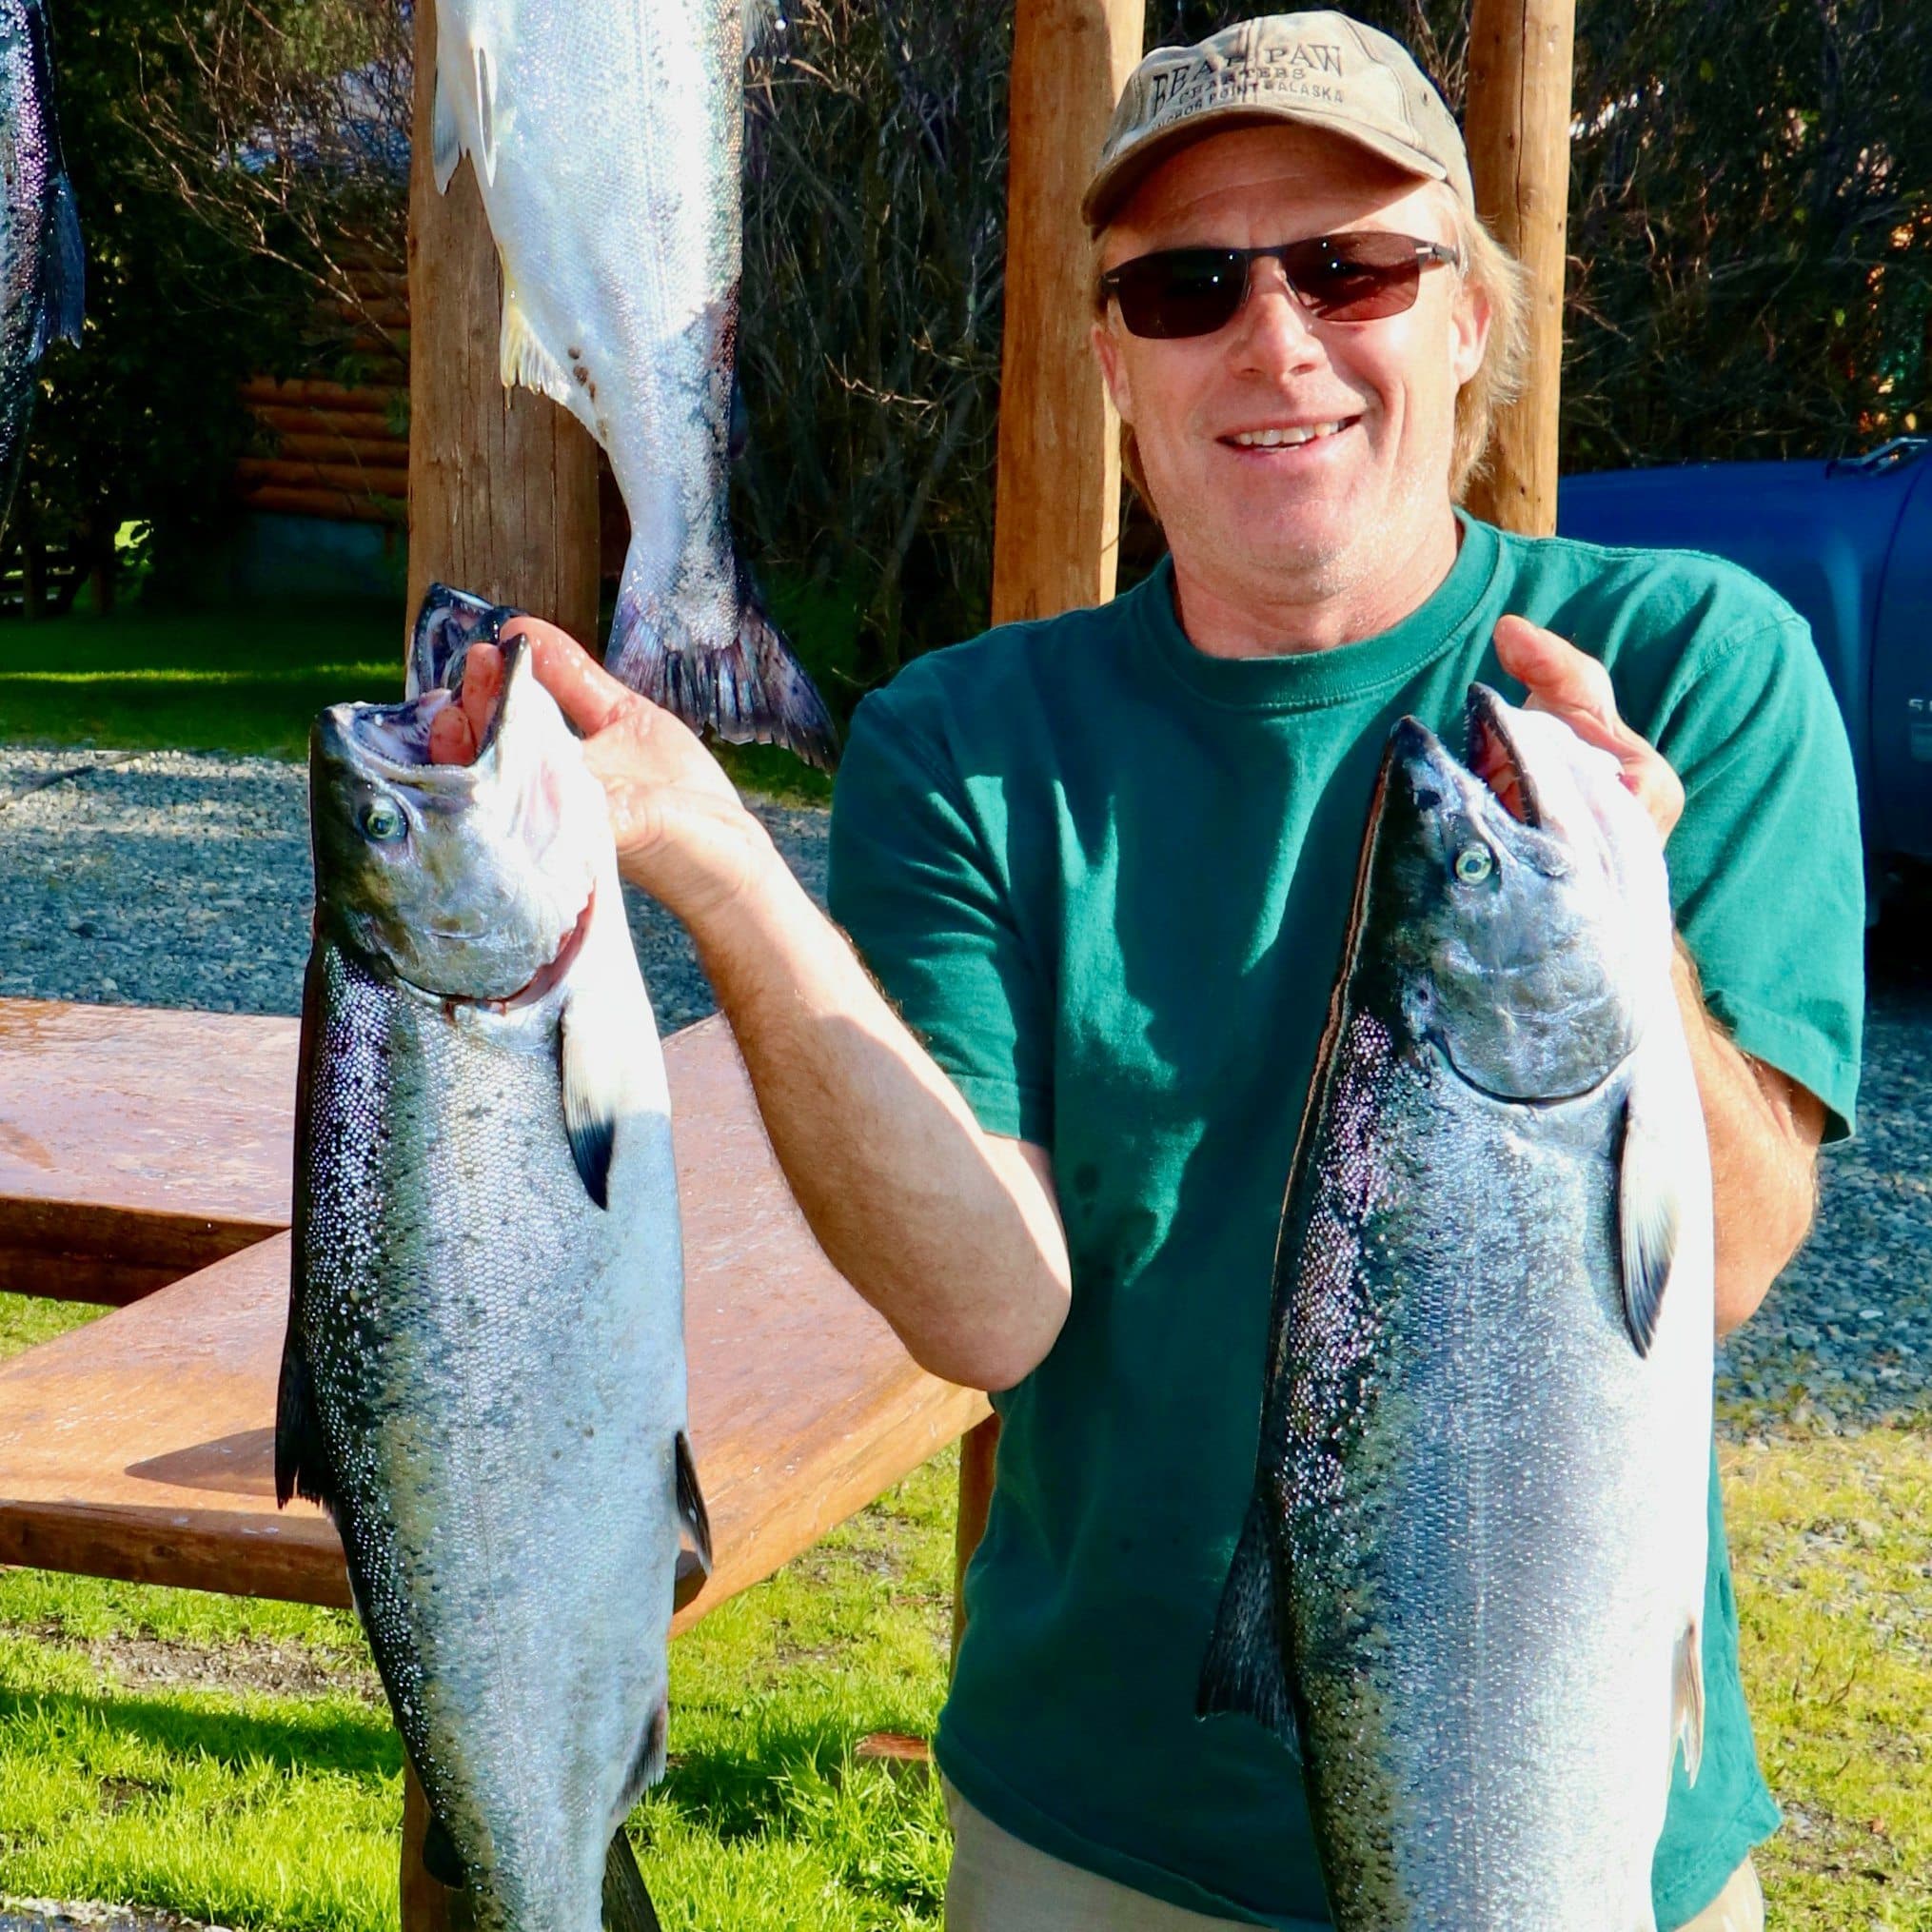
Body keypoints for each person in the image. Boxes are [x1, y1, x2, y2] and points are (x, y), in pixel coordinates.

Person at [432, 14, 1863, 1927]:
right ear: (1112, 363)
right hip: (1090, 1839)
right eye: (1189, 287)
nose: (1274, 339)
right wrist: (711, 860)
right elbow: (993, 1311)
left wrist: (1626, 930)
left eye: (1349, 266)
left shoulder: (1696, 662)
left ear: (1465, 320)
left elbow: (1734, 1256)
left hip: (1579, 1824)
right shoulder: (963, 739)